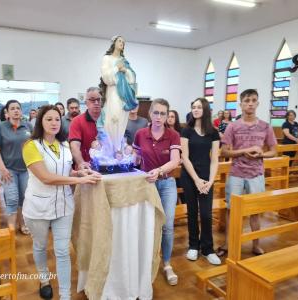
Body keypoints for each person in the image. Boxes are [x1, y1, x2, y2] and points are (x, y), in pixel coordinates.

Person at [22, 105, 100, 300]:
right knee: (40, 245)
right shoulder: (31, 146)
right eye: (49, 119)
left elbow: (65, 172)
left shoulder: (64, 145)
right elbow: (46, 178)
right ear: (40, 122)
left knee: (63, 251)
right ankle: (44, 279)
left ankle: (65, 295)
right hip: (38, 207)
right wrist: (79, 180)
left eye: (57, 119)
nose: (54, 123)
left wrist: (78, 172)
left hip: (64, 206)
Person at [216, 89, 277, 257]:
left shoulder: (265, 126)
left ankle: (256, 244)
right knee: (232, 210)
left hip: (256, 173)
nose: (250, 103)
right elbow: (224, 152)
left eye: (254, 100)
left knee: (255, 210)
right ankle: (228, 244)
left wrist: (261, 154)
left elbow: (273, 151)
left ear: (258, 103)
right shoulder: (232, 126)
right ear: (241, 104)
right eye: (247, 100)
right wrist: (244, 151)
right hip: (236, 173)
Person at [133, 98, 181, 286]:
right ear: (150, 114)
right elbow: (136, 159)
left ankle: (167, 263)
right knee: (146, 224)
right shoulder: (140, 134)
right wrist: (125, 156)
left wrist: (159, 171)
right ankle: (148, 261)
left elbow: (175, 160)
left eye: (163, 113)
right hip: (146, 185)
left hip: (166, 184)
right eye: (156, 113)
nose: (159, 117)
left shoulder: (173, 135)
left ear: (167, 115)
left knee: (167, 226)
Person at [180, 98, 221, 265]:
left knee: (206, 213)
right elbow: (185, 157)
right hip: (190, 176)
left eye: (198, 107)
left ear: (205, 109)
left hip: (206, 177)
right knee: (192, 212)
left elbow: (215, 159)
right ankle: (193, 246)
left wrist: (210, 181)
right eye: (193, 107)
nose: (195, 109)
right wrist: (196, 180)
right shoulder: (187, 130)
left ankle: (208, 249)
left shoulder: (213, 132)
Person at [0, 100, 33, 234]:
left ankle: (22, 223)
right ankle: (11, 228)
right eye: (12, 108)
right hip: (8, 169)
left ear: (21, 111)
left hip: (26, 169)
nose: (16, 111)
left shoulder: (27, 126)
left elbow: (34, 147)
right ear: (7, 113)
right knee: (12, 198)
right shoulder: (1, 127)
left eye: (18, 108)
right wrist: (2, 169)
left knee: (24, 198)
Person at [100, 35, 138, 152]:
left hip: (124, 94)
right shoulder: (107, 58)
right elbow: (106, 77)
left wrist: (125, 70)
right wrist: (116, 68)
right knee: (112, 117)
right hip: (113, 93)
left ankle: (118, 147)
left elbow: (132, 78)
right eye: (119, 41)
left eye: (123, 42)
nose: (122, 43)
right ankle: (110, 148)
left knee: (121, 119)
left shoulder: (124, 61)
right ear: (114, 43)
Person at [69, 87, 101, 170]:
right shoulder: (77, 121)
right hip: (85, 170)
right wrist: (81, 163)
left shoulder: (109, 121)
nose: (96, 102)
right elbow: (75, 146)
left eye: (99, 99)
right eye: (92, 100)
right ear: (86, 102)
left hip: (106, 168)